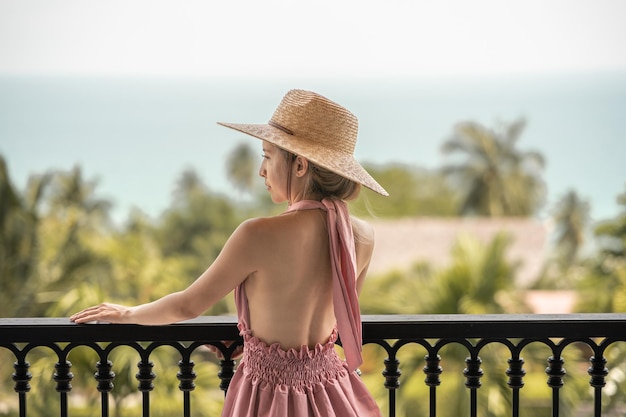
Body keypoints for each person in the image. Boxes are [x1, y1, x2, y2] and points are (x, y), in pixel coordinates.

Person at [71, 89, 388, 417]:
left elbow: (187, 305)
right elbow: (337, 319)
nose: (261, 170)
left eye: (267, 155)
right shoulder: (362, 236)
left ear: (300, 165)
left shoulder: (257, 234)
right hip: (332, 395)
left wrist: (127, 314)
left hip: (269, 397)